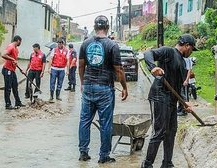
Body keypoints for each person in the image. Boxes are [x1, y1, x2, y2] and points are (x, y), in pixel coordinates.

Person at [141, 34, 197, 168]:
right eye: (192, 49)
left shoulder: (183, 62)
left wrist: (184, 102)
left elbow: (179, 85)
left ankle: (167, 163)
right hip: (159, 95)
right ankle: (147, 164)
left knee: (171, 131)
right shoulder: (169, 51)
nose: (191, 52)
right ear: (187, 45)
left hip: (172, 100)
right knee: (159, 131)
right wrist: (152, 67)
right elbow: (148, 53)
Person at [78, 15, 128, 164]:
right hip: (105, 88)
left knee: (84, 120)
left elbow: (81, 66)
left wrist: (83, 83)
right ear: (107, 28)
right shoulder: (112, 45)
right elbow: (119, 70)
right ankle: (104, 155)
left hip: (88, 87)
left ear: (94, 27)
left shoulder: (85, 43)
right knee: (106, 123)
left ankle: (83, 153)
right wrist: (124, 87)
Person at [1, 35, 25, 110]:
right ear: (18, 40)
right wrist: (12, 59)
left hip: (12, 70)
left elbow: (14, 61)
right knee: (8, 88)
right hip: (7, 70)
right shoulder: (11, 46)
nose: (20, 43)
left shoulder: (16, 49)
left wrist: (21, 69)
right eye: (20, 41)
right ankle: (8, 104)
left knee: (15, 86)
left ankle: (18, 102)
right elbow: (3, 55)